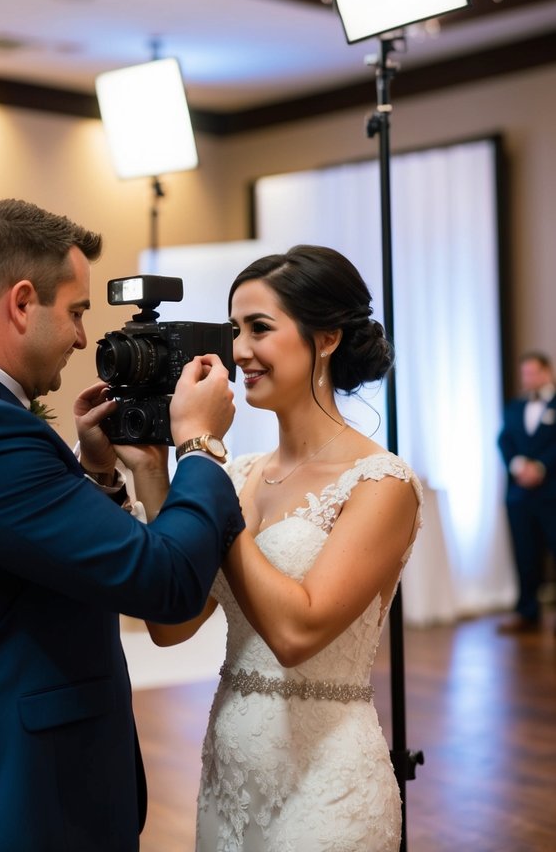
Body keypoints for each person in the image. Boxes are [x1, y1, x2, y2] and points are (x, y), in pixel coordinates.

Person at [0, 198, 245, 852]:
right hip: (8, 795)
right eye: (75, 311)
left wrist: (94, 475)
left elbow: (28, 561)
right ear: (20, 301)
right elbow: (165, 582)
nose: (81, 339)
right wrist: (200, 447)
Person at [144, 246, 423, 852]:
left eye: (260, 329)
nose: (240, 351)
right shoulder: (238, 473)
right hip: (230, 778)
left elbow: (296, 634)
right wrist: (151, 471)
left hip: (328, 786)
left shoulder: (382, 483)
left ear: (325, 339)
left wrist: (202, 467)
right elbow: (171, 625)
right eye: (235, 330)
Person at [496, 350, 556, 634]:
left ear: (547, 372)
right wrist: (519, 465)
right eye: (525, 374)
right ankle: (527, 612)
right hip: (520, 495)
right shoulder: (514, 407)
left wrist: (542, 466)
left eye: (533, 373)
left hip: (552, 492)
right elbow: (505, 440)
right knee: (525, 554)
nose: (528, 379)